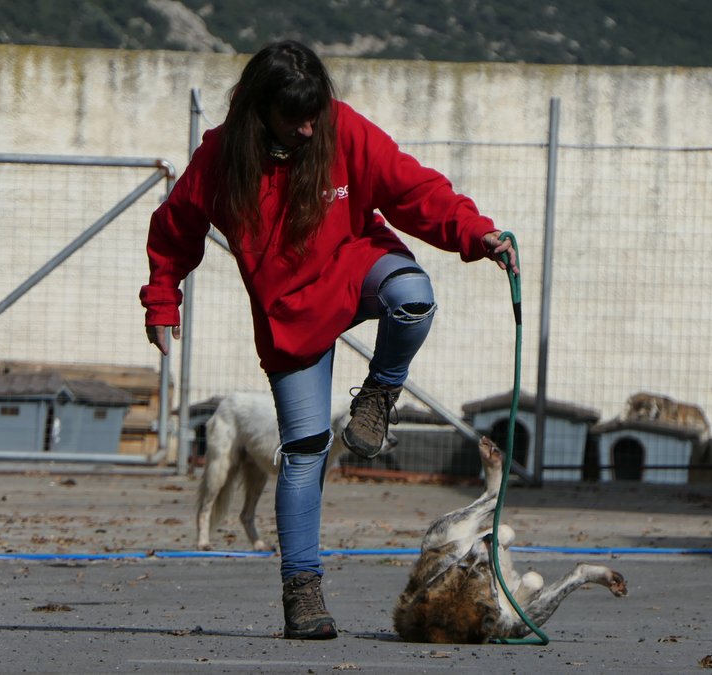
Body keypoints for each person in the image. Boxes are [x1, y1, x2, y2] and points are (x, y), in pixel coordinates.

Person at [139, 40, 517, 640]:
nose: (309, 128)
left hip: (354, 265)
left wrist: (478, 233)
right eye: (295, 117)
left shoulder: (341, 131)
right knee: (305, 450)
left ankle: (379, 395)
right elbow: (173, 229)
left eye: (315, 112)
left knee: (413, 296)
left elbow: (414, 190)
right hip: (289, 312)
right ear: (261, 109)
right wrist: (162, 299)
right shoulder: (221, 158)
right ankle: (302, 590)